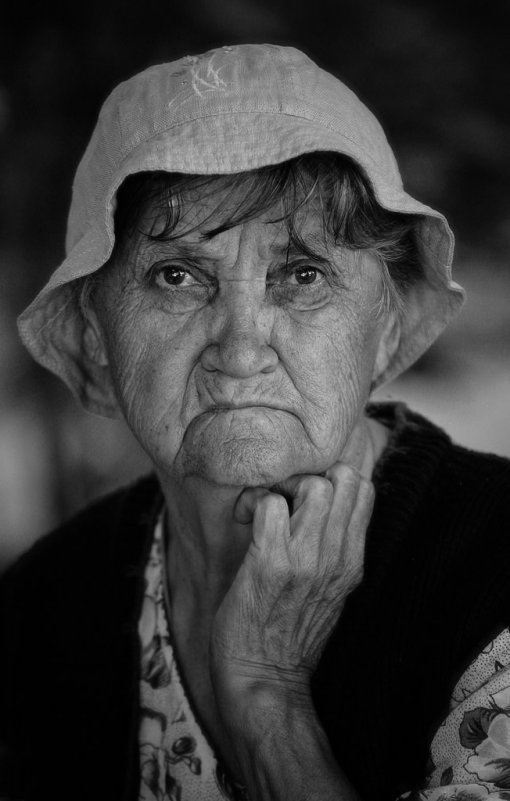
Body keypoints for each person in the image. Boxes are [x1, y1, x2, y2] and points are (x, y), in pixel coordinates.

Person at [1, 43, 510, 801]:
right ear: (95, 337)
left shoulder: (495, 575)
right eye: (177, 276)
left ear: (388, 323)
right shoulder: (43, 608)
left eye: (303, 275)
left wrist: (267, 698)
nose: (239, 352)